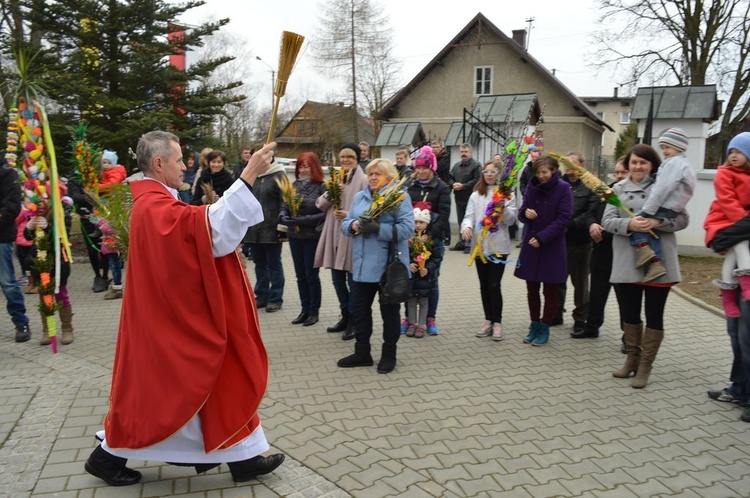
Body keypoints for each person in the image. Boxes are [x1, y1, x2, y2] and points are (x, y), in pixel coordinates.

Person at [84, 131, 284, 486]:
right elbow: (209, 232)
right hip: (174, 320)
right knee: (166, 390)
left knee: (207, 379)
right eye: (178, 160)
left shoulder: (156, 201)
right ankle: (107, 456)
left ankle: (244, 457)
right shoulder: (154, 206)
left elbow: (199, 231)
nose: (185, 166)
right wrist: (249, 174)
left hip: (170, 314)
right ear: (159, 164)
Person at [603, 144, 690, 389]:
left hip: (658, 262)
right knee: (629, 314)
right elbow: (607, 221)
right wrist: (630, 226)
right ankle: (632, 360)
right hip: (626, 261)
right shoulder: (617, 189)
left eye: (643, 163)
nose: (638, 167)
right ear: (628, 165)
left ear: (652, 165)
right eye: (634, 163)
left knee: (654, 314)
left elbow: (683, 219)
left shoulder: (666, 187)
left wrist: (656, 221)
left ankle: (645, 366)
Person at [337, 158, 414, 373]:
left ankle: (389, 354)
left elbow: (408, 229)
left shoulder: (399, 197)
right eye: (370, 173)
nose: (372, 177)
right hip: (361, 266)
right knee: (360, 311)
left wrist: (378, 229)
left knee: (389, 313)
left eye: (377, 174)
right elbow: (345, 225)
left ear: (389, 177)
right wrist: (352, 225)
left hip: (386, 267)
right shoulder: (360, 196)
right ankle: (362, 352)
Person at [514, 155, 572, 346]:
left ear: (553, 171)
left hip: (551, 246)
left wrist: (542, 237)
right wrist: (525, 214)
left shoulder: (563, 188)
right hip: (531, 244)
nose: (541, 176)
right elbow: (522, 211)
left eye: (545, 172)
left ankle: (545, 327)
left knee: (550, 290)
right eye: (538, 173)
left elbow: (563, 219)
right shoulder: (532, 185)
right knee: (532, 289)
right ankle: (534, 325)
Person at [315, 143, 368, 339]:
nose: (346, 161)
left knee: (352, 280)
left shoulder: (363, 180)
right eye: (343, 157)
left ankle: (354, 319)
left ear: (357, 160)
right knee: (337, 279)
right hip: (334, 233)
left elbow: (370, 209)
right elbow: (320, 204)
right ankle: (345, 314)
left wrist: (349, 214)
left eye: (350, 158)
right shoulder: (336, 178)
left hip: (352, 236)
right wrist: (332, 191)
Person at [461, 160, 517, 341]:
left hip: (498, 247)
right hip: (480, 247)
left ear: (500, 175)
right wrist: (466, 228)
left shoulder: (507, 195)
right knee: (484, 285)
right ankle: (488, 320)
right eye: (486, 171)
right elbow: (469, 216)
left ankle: (498, 322)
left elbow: (511, 220)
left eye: (494, 172)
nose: (490, 174)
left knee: (494, 284)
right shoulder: (476, 194)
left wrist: (502, 210)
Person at [630, 127, 696, 283]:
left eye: (668, 147)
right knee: (651, 230)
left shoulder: (674, 164)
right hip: (674, 206)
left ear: (678, 146)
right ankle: (654, 261)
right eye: (662, 147)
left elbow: (662, 188)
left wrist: (647, 209)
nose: (664, 151)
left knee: (638, 222)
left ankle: (647, 252)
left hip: (666, 204)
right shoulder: (683, 164)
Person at [580, 157, 629, 340]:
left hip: (621, 254)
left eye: (623, 172)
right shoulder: (605, 191)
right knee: (597, 294)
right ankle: (592, 326)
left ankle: (628, 337)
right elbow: (589, 213)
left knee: (625, 300)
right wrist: (592, 224)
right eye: (616, 172)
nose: (619, 176)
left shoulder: (633, 196)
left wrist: (606, 232)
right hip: (601, 253)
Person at [405, 145, 451, 335]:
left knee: (430, 278)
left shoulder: (441, 187)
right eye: (418, 167)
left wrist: (429, 235)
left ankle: (429, 318)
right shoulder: (410, 186)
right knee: (409, 278)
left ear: (432, 167)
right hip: (410, 239)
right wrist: (408, 234)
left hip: (432, 240)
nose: (421, 171)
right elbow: (404, 212)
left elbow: (444, 214)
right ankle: (408, 318)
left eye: (425, 167)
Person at [704, 132, 750, 316]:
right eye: (731, 151)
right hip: (722, 218)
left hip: (739, 219)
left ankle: (728, 298)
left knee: (733, 252)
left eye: (739, 152)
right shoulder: (724, 173)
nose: (733, 155)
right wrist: (744, 224)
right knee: (740, 244)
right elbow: (727, 200)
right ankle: (746, 284)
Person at [25, 184, 75, 345]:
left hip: (57, 261)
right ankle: (48, 330)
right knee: (44, 296)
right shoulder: (35, 211)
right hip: (39, 261)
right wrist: (29, 228)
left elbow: (64, 233)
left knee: (61, 294)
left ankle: (67, 329)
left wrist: (49, 227)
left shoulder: (62, 210)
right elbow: (28, 237)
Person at [279, 152, 326, 326]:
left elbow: (323, 213)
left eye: (306, 166)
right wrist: (283, 216)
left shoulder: (321, 187)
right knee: (300, 276)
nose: (303, 170)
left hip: (312, 236)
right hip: (295, 235)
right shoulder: (294, 185)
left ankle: (314, 311)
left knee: (311, 275)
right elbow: (284, 205)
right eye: (301, 167)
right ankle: (304, 309)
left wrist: (302, 220)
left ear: (313, 167)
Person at [557, 152, 598, 334]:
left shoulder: (590, 186)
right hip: (559, 242)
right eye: (566, 163)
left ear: (582, 165)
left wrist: (569, 224)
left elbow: (591, 212)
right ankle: (556, 313)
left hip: (580, 243)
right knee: (557, 280)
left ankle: (580, 319)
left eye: (573, 163)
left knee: (580, 284)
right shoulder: (559, 184)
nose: (569, 166)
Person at [244, 155, 287, 312]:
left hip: (272, 228)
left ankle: (275, 298)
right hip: (253, 229)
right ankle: (261, 296)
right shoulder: (252, 175)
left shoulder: (279, 175)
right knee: (259, 264)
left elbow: (285, 202)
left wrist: (282, 226)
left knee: (274, 265)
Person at [0, 157, 31, 342]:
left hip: (1, 237)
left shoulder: (7, 173)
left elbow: (11, 206)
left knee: (8, 284)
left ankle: (21, 322)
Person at [404, 206, 443, 339]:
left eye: (421, 222)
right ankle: (411, 324)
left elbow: (437, 257)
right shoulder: (409, 238)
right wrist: (409, 263)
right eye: (415, 222)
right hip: (412, 277)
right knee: (411, 300)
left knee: (424, 301)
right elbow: (403, 254)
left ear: (428, 223)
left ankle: (421, 325)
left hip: (426, 277)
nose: (418, 225)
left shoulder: (431, 240)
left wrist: (428, 268)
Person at [449, 143, 481, 253]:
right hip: (459, 198)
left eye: (466, 152)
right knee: (460, 220)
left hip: (471, 198)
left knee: (470, 221)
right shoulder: (456, 166)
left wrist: (463, 186)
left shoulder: (476, 165)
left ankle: (469, 243)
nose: (463, 154)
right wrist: (453, 184)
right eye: (462, 152)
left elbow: (477, 180)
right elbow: (450, 177)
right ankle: (461, 241)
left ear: (471, 153)